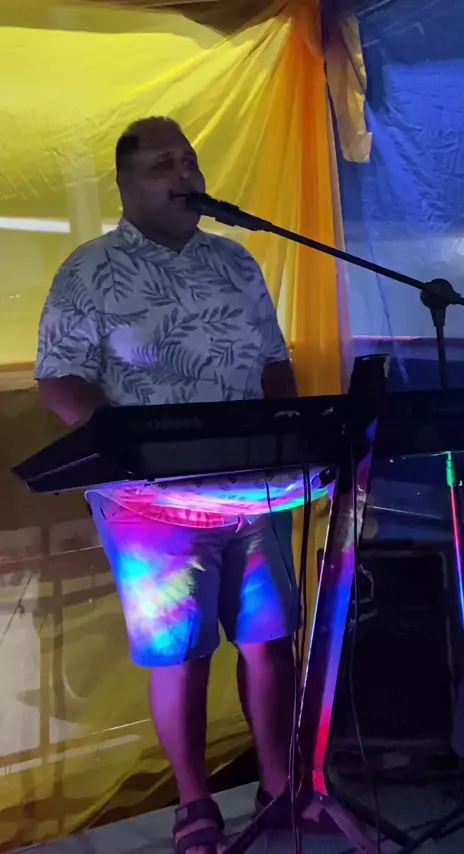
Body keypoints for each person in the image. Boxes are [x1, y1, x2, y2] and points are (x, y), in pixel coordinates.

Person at [34, 117, 306, 854]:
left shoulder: (236, 262)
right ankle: (195, 806)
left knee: (268, 637)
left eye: (189, 160)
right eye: (164, 164)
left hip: (253, 490)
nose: (185, 174)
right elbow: (58, 379)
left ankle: (280, 786)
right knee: (182, 652)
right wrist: (130, 449)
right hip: (151, 502)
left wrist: (284, 432)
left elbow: (274, 362)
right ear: (126, 185)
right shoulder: (90, 271)